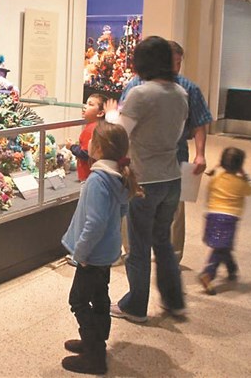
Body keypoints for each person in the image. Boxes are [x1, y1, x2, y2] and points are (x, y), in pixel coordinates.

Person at [104, 36, 188, 323]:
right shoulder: (180, 93)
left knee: (138, 245)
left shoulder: (140, 94)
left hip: (144, 180)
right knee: (162, 242)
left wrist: (111, 115)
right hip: (172, 177)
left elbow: (120, 134)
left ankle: (135, 305)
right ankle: (174, 301)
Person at [61, 121, 142, 375]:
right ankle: (95, 341)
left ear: (98, 148)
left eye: (91, 141)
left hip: (92, 255)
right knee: (99, 297)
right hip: (105, 252)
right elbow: (122, 209)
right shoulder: (119, 176)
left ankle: (94, 355)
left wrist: (80, 253)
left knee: (78, 300)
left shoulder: (98, 179)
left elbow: (94, 223)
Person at [120, 40, 212, 263]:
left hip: (171, 157)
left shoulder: (186, 89)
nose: (175, 67)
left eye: (179, 63)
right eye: (172, 62)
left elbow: (199, 122)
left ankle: (169, 255)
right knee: (137, 209)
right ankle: (135, 251)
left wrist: (200, 153)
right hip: (141, 160)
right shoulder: (137, 86)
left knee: (174, 210)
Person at [198, 147, 251, 295]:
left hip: (212, 216)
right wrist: (245, 175)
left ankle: (232, 269)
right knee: (221, 248)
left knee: (224, 246)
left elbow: (209, 192)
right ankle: (208, 273)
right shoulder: (240, 183)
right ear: (240, 165)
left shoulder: (215, 179)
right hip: (229, 219)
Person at [67, 94, 108, 182]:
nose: (85, 107)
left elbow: (85, 154)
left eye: (90, 104)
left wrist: (71, 146)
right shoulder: (102, 126)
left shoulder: (91, 129)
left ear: (100, 113)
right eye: (86, 103)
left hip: (89, 175)